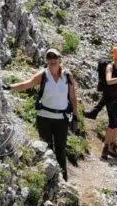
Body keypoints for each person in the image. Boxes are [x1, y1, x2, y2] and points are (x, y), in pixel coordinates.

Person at [10, 48, 80, 180]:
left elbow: (72, 97)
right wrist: (9, 87)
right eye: (49, 57)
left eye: (55, 57)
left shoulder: (67, 76)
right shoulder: (43, 75)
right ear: (46, 60)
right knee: (47, 149)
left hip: (61, 119)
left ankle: (63, 179)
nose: (52, 60)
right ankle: (50, 179)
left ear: (60, 59)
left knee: (61, 149)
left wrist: (75, 116)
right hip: (44, 118)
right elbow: (26, 85)